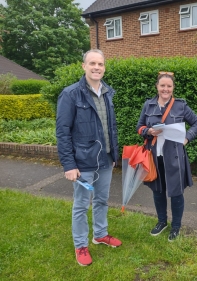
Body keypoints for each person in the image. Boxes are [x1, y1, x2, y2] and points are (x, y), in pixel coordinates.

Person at [56, 49, 122, 266]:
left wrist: (114, 153)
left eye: (100, 64)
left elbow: (110, 126)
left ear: (104, 67)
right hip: (83, 162)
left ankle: (100, 234)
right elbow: (63, 131)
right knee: (82, 204)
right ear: (83, 66)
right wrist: (69, 164)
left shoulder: (107, 92)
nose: (96, 67)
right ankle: (81, 245)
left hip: (105, 159)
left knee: (102, 200)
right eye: (92, 63)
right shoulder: (71, 94)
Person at [136, 71, 197, 241]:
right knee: (158, 191)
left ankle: (176, 226)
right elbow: (139, 127)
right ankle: (162, 221)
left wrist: (187, 138)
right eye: (162, 86)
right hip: (154, 156)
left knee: (176, 192)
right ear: (157, 87)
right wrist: (148, 131)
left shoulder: (180, 106)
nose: (165, 89)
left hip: (174, 156)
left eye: (169, 86)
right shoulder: (148, 105)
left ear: (173, 88)